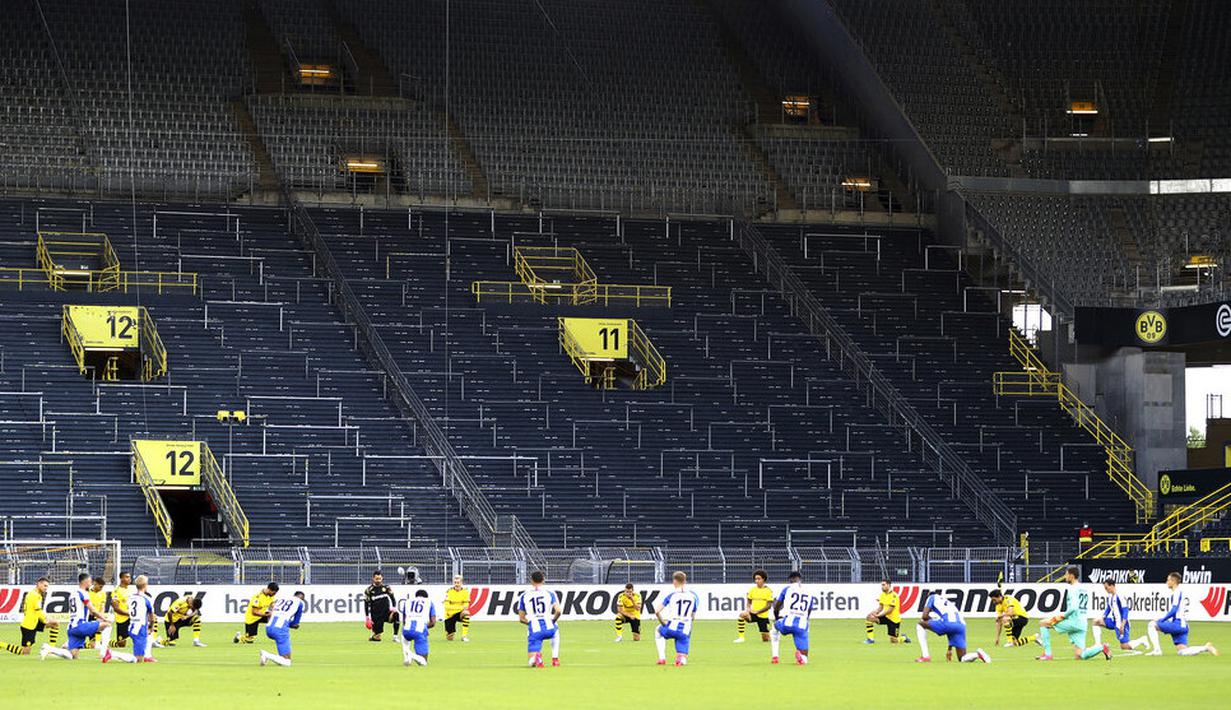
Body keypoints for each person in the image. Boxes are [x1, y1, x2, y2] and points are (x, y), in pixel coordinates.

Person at [1037, 566, 1109, 661]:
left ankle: (1048, 654)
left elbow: (1074, 607)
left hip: (1073, 621)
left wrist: (1062, 616)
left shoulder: (1072, 588)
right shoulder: (1083, 588)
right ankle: (1101, 647)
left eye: (1066, 574)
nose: (1065, 577)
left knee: (1043, 623)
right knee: (1080, 655)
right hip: (1082, 622)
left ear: (1071, 575)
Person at [40, 573, 111, 661]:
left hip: (71, 628)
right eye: (90, 582)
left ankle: (49, 649)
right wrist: (104, 619)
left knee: (73, 656)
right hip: (80, 625)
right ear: (85, 582)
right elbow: (92, 610)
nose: (91, 584)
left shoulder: (73, 594)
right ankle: (103, 654)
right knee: (107, 625)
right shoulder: (83, 593)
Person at [1146, 572, 1219, 657]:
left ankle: (1157, 650)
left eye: (1168, 580)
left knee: (1152, 624)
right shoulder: (1179, 592)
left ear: (1173, 581)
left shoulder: (1177, 592)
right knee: (1182, 651)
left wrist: (1162, 620)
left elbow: (1174, 610)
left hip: (1178, 624)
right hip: (1183, 625)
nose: (1166, 582)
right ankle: (1206, 648)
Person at [914, 592, 989, 663]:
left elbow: (924, 616)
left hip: (949, 623)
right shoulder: (947, 602)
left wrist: (932, 620)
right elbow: (950, 629)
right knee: (962, 658)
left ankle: (925, 656)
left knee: (920, 624)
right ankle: (977, 654)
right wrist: (949, 649)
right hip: (961, 626)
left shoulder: (931, 597)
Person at [3, 577, 60, 656]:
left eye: (47, 586)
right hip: (29, 625)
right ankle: (1, 644)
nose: (46, 588)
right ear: (39, 584)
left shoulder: (35, 594)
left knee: (55, 623)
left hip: (35, 621)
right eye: (45, 586)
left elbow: (32, 610)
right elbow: (37, 611)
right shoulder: (34, 595)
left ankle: (51, 649)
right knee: (25, 652)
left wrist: (47, 619)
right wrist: (46, 620)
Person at [770, 571, 816, 665]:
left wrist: (777, 618)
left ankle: (775, 657)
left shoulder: (787, 589)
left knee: (774, 629)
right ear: (800, 579)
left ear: (790, 579)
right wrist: (805, 619)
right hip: (802, 625)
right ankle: (802, 658)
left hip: (787, 623)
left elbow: (777, 606)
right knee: (804, 656)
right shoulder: (809, 592)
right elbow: (809, 610)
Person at [516, 570, 561, 668]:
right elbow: (558, 611)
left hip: (535, 629)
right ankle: (555, 659)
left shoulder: (524, 595)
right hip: (549, 627)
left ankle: (536, 658)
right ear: (543, 580)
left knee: (531, 663)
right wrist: (553, 621)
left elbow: (521, 618)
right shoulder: (550, 593)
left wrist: (531, 624)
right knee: (556, 631)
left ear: (531, 580)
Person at [654, 571, 699, 666]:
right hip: (685, 630)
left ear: (674, 581)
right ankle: (681, 659)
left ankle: (662, 658)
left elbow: (657, 611)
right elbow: (693, 617)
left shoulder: (672, 595)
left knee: (658, 630)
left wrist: (663, 623)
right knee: (682, 653)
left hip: (671, 627)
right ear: (685, 581)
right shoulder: (693, 597)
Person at [108, 575, 157, 664]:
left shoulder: (131, 597)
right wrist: (151, 626)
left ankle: (147, 656)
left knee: (139, 655)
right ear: (145, 585)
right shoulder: (146, 599)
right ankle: (112, 654)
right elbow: (152, 616)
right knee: (138, 659)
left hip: (132, 626)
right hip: (140, 628)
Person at [1093, 580, 1149, 653]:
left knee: (1124, 646)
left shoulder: (1120, 595)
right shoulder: (1110, 596)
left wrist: (1123, 623)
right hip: (1114, 621)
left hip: (1121, 623)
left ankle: (1142, 640)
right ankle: (1097, 644)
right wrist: (1104, 616)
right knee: (1096, 621)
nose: (1106, 590)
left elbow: (1125, 609)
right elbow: (1109, 607)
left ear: (1112, 586)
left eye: (1106, 588)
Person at [259, 591, 306, 667]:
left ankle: (267, 657)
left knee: (283, 658)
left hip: (269, 627)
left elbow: (269, 610)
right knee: (287, 662)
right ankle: (266, 654)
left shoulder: (281, 599)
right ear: (302, 599)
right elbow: (295, 623)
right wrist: (293, 625)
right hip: (280, 630)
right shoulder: (299, 603)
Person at [398, 589, 437, 666]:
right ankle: (411, 655)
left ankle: (407, 658)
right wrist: (425, 628)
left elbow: (404, 620)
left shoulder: (407, 602)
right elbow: (433, 622)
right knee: (423, 661)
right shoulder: (429, 602)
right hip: (419, 631)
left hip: (406, 630)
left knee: (405, 639)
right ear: (426, 597)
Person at [734, 570, 773, 644]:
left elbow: (769, 606)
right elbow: (749, 602)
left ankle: (772, 633)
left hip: (762, 616)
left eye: (759, 579)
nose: (757, 581)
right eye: (755, 579)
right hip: (753, 614)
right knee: (742, 615)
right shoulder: (752, 590)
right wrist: (748, 609)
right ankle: (741, 638)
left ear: (763, 579)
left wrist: (758, 611)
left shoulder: (768, 591)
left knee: (765, 639)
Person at [865, 579, 909, 644]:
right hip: (886, 617)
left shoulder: (894, 596)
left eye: (883, 585)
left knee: (894, 641)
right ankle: (870, 639)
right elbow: (880, 608)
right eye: (881, 585)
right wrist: (873, 613)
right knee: (869, 618)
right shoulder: (882, 595)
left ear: (888, 585)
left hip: (894, 620)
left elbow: (889, 610)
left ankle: (904, 638)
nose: (882, 587)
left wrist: (878, 615)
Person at [364, 571, 397, 642]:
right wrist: (367, 617)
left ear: (382, 578)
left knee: (396, 615)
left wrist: (394, 607)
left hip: (386, 613)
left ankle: (395, 637)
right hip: (376, 616)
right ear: (373, 578)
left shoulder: (386, 588)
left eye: (380, 578)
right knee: (377, 639)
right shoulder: (369, 590)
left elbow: (392, 598)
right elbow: (366, 603)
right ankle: (374, 635)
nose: (378, 580)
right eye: (377, 579)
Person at [443, 575, 472, 642]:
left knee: (466, 614)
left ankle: (464, 636)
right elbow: (447, 606)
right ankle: (450, 633)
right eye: (455, 582)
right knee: (450, 639)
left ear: (461, 583)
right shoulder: (449, 591)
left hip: (459, 614)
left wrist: (454, 608)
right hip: (449, 615)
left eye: (458, 582)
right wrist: (460, 607)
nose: (456, 584)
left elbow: (466, 606)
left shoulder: (465, 592)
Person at [109, 572, 132, 648]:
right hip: (122, 620)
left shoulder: (129, 590)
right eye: (127, 577)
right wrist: (128, 613)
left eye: (129, 577)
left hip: (131, 618)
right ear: (121, 578)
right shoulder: (117, 591)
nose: (129, 579)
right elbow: (116, 608)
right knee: (121, 644)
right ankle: (108, 642)